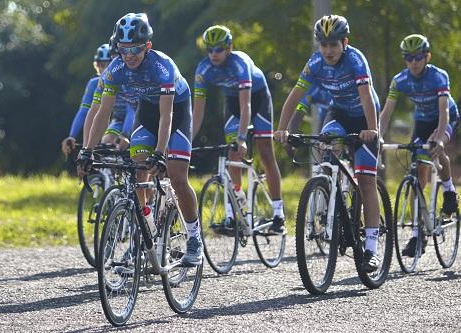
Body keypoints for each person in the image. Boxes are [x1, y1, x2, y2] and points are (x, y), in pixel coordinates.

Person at [78, 13, 202, 267]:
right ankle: (143, 237)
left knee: (178, 177)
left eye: (135, 48)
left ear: (147, 46)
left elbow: (166, 115)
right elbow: (102, 112)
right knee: (138, 171)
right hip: (146, 111)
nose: (130, 55)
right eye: (124, 49)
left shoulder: (162, 66)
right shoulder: (114, 71)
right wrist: (87, 150)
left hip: (176, 111)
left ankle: (194, 237)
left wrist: (159, 152)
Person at [275, 15, 381, 272]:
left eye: (333, 44)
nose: (328, 50)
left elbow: (366, 96)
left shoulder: (356, 60)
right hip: (339, 114)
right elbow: (295, 97)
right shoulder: (315, 64)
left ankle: (371, 248)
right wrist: (282, 129)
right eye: (323, 45)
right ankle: (331, 195)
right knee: (326, 144)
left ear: (345, 42)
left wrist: (372, 129)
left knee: (366, 180)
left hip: (365, 116)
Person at [193, 25, 286, 234]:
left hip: (258, 99)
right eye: (210, 50)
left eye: (218, 49)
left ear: (229, 48)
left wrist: (243, 137)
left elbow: (247, 106)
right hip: (233, 101)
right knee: (232, 153)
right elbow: (197, 112)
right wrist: (186, 141)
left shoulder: (240, 63)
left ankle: (279, 214)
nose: (214, 54)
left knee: (265, 152)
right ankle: (236, 207)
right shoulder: (203, 69)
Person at [379, 34, 459, 257]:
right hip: (422, 121)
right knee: (417, 172)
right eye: (408, 58)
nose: (413, 62)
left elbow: (444, 111)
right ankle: (417, 234)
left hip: (447, 117)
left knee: (436, 147)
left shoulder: (438, 77)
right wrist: (378, 135)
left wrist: (440, 136)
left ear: (427, 57)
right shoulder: (400, 80)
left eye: (418, 57)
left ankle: (449, 191)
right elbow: (386, 113)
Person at [61, 43, 135, 155]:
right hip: (119, 120)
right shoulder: (94, 83)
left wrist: (125, 134)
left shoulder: (127, 79)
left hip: (137, 118)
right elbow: (85, 111)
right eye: (100, 64)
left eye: (107, 64)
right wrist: (72, 136)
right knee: (107, 142)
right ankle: (111, 172)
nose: (104, 68)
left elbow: (132, 109)